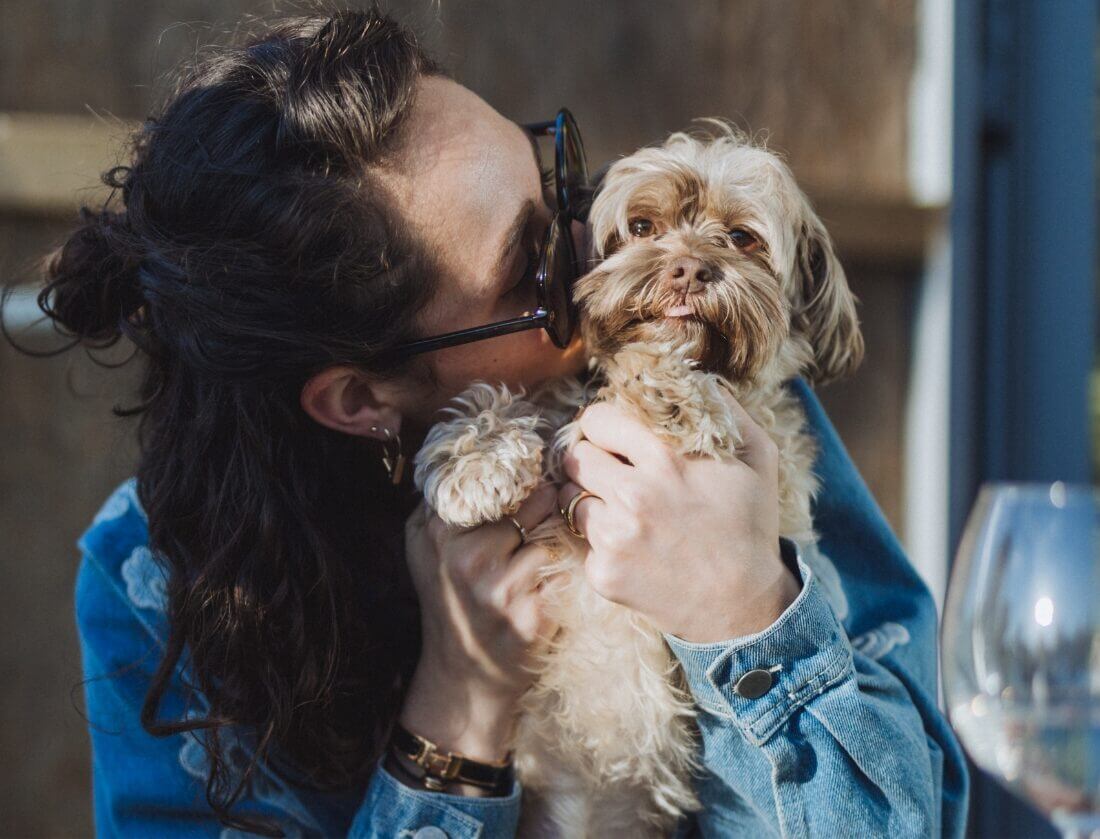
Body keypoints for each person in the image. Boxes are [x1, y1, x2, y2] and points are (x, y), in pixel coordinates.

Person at [6, 7, 968, 837]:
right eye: (534, 269)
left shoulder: (713, 399)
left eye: (564, 182)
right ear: (361, 398)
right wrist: (457, 713)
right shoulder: (152, 585)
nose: (602, 251)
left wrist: (747, 614)